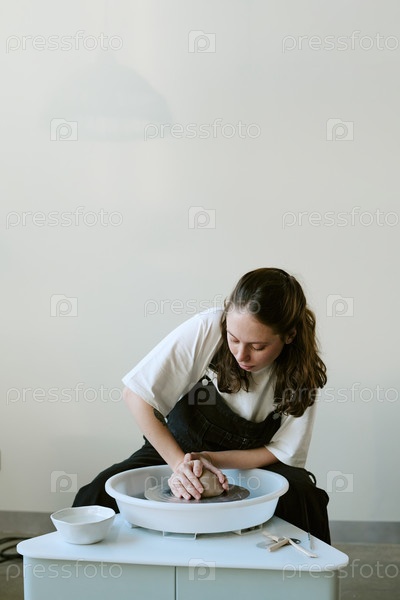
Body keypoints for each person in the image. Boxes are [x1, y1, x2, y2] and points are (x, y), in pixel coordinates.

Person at [73, 268, 331, 543]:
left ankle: (305, 568)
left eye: (257, 347)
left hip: (248, 463)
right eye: (233, 339)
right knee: (95, 496)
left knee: (304, 498)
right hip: (177, 449)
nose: (241, 355)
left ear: (289, 335)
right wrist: (181, 465)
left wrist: (212, 459)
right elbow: (135, 395)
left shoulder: (302, 374)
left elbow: (281, 451)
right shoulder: (208, 327)